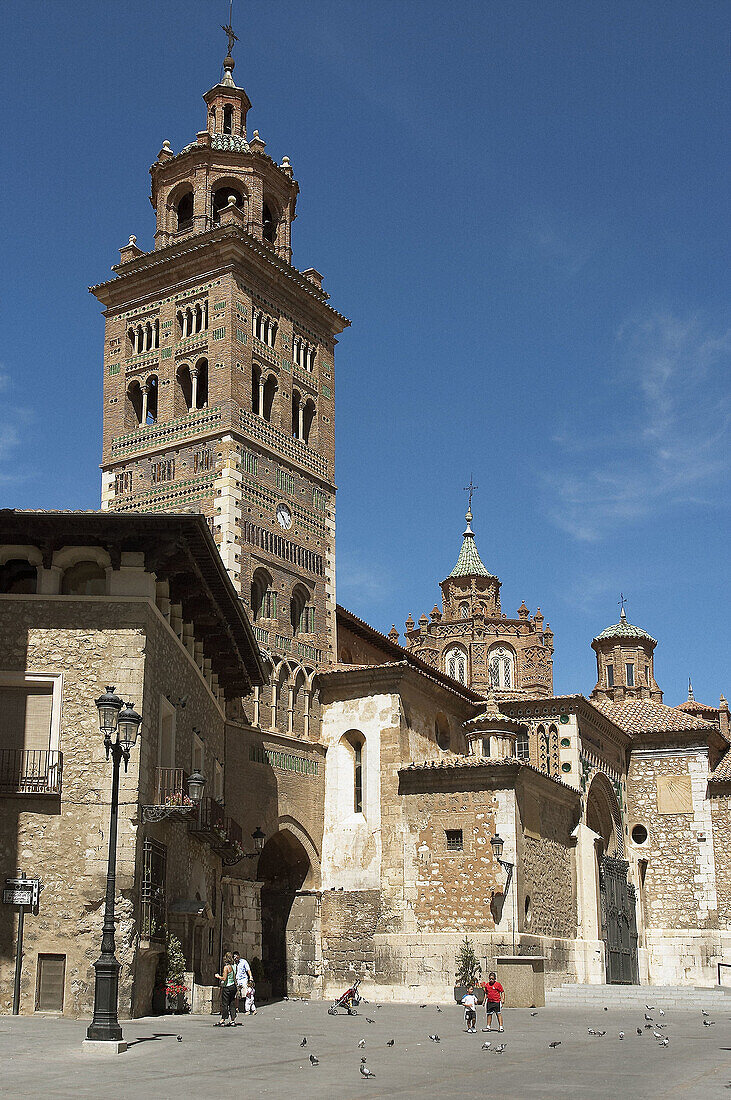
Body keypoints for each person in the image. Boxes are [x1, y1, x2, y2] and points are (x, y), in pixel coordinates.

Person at [215, 952, 237, 1026]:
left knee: (225, 1003)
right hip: (233, 986)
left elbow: (224, 978)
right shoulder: (234, 966)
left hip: (227, 987)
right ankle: (233, 1020)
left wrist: (218, 976)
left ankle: (223, 1019)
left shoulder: (226, 967)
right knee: (232, 1003)